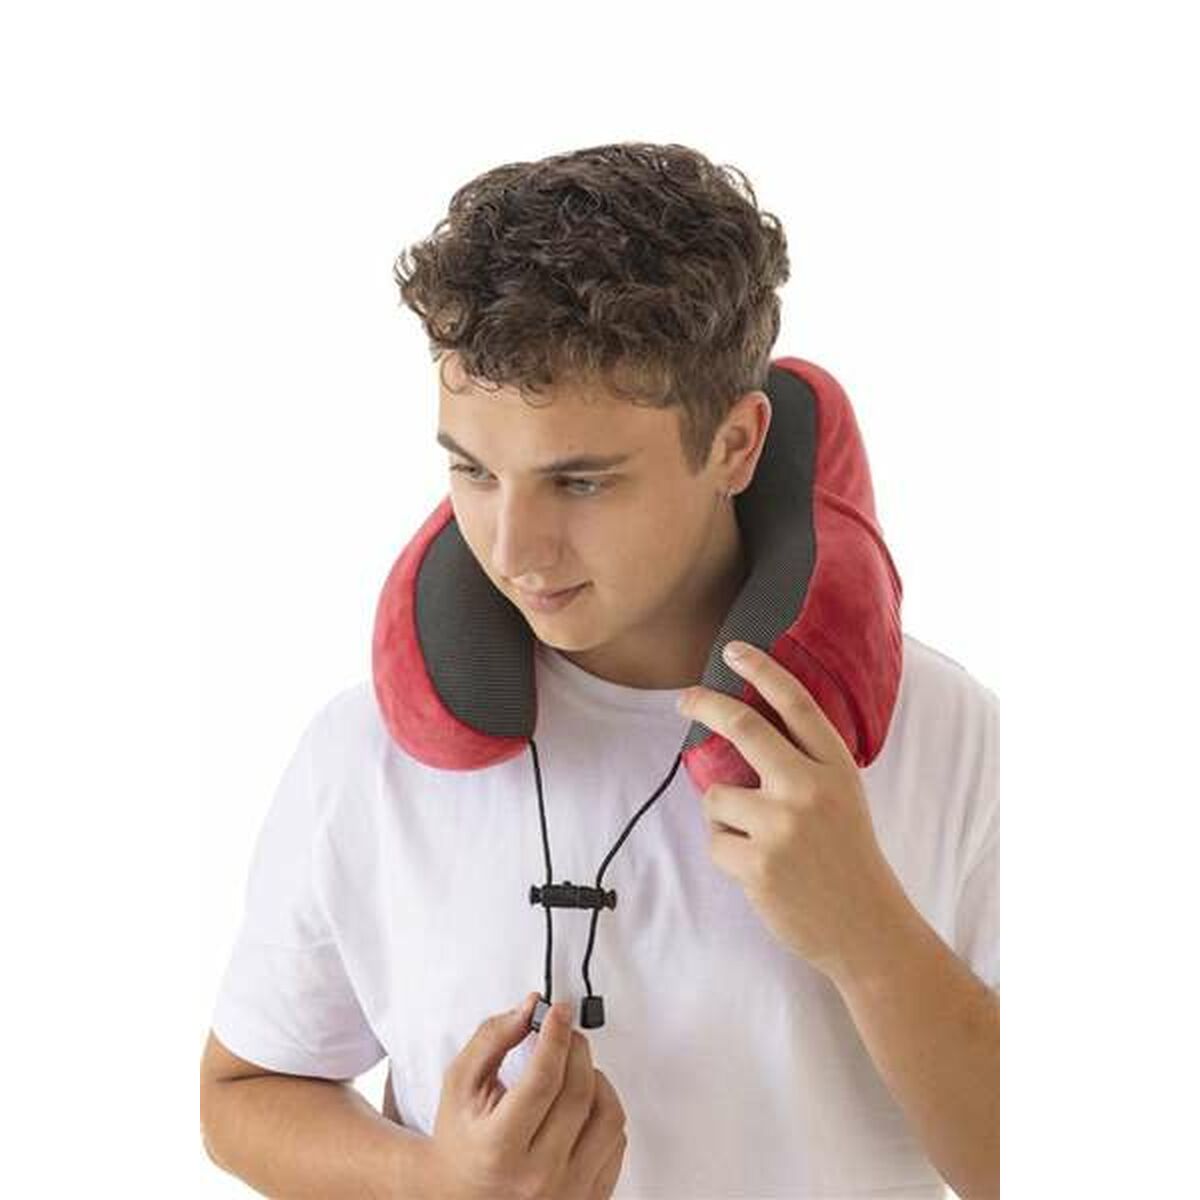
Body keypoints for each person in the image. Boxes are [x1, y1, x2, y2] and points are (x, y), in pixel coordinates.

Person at [199, 142, 999, 1199]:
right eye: (473, 471)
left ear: (736, 445)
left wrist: (869, 937)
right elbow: (243, 1092)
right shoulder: (366, 751)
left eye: (581, 483)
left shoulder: (947, 736)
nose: (514, 549)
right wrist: (432, 1182)